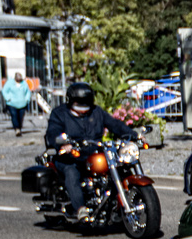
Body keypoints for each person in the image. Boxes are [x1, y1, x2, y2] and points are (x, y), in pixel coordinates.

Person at [45, 81, 138, 221]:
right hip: (70, 157)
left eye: (86, 101)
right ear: (70, 100)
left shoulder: (96, 112)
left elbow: (114, 124)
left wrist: (134, 135)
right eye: (79, 102)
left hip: (93, 153)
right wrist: (63, 144)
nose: (83, 105)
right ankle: (81, 209)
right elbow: (53, 132)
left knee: (118, 165)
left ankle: (116, 203)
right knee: (71, 171)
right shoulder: (59, 114)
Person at [1, 71, 32, 137]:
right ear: (15, 78)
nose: (19, 80)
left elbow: (28, 92)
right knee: (14, 115)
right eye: (18, 79)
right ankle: (17, 129)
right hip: (12, 103)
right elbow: (4, 91)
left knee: (20, 117)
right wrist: (8, 98)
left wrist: (27, 99)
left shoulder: (24, 83)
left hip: (22, 103)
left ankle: (19, 127)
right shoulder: (9, 83)